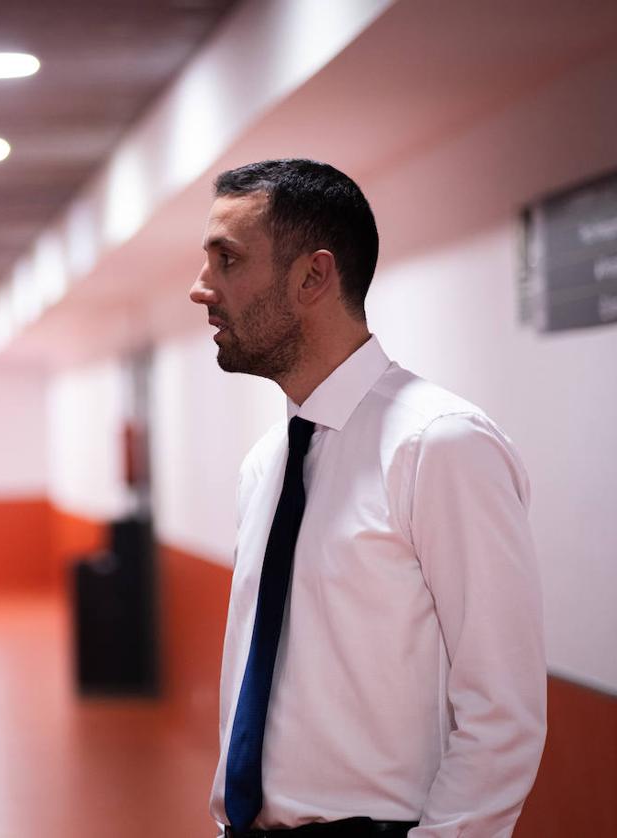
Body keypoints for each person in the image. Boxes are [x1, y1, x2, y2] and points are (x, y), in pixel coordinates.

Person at [189, 160, 545, 837]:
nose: (200, 289)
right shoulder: (266, 465)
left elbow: (504, 713)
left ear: (314, 276)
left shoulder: (439, 445)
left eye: (226, 260)